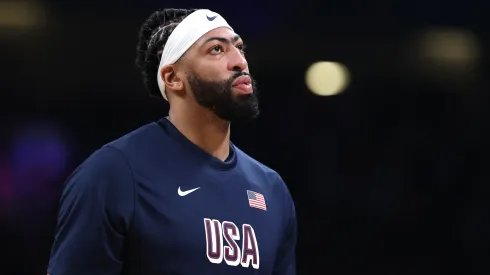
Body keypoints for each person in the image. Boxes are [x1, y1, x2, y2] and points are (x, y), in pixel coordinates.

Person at [47, 8, 297, 275]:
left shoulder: (272, 190)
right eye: (216, 49)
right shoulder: (114, 172)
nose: (239, 62)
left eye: (239, 47)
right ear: (173, 78)